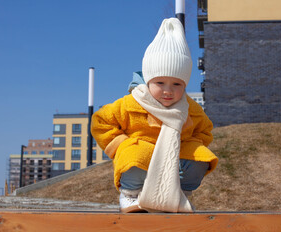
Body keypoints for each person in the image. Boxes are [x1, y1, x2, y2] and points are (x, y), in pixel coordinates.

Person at [91, 18, 218, 213]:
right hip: (141, 154)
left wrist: (191, 143)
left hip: (175, 155)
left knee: (201, 157)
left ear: (184, 85)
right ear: (148, 81)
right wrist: (120, 144)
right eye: (160, 83)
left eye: (177, 84)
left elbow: (205, 130)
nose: (168, 91)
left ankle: (180, 193)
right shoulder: (131, 102)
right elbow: (100, 121)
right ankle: (130, 194)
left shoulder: (190, 108)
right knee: (135, 155)